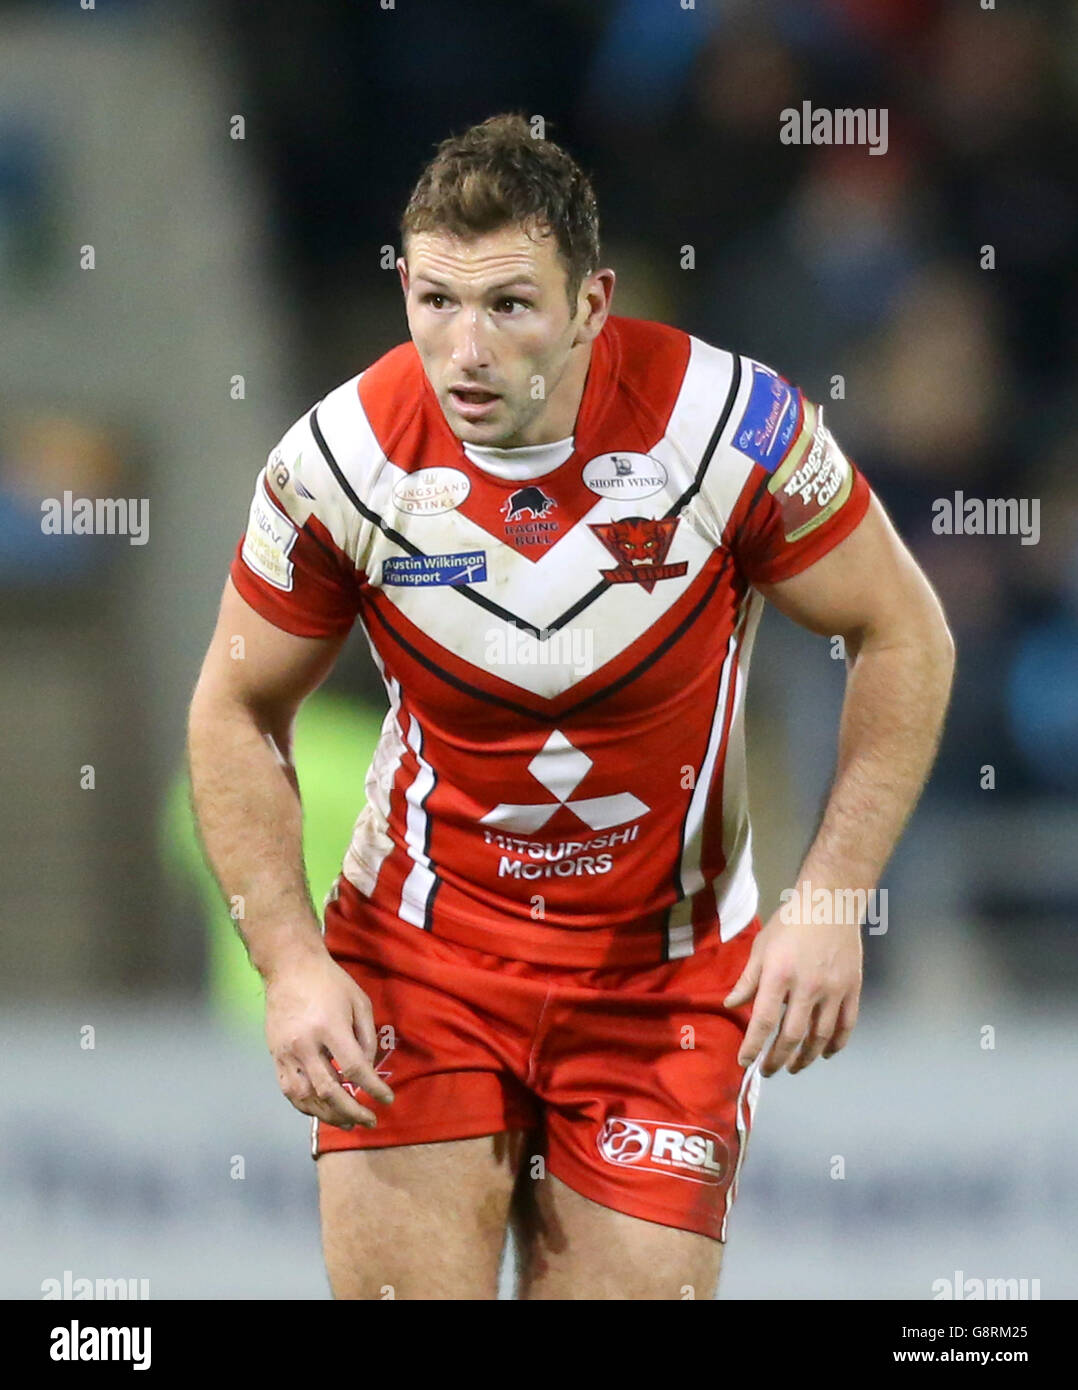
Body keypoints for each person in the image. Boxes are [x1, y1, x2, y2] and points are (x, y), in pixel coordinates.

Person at [187, 114, 955, 1300]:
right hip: (422, 958)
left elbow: (903, 632)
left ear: (593, 302)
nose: (466, 350)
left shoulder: (729, 431)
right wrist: (290, 963)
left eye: (509, 306)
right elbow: (234, 707)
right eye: (434, 300)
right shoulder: (335, 462)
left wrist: (833, 896)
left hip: (668, 977)